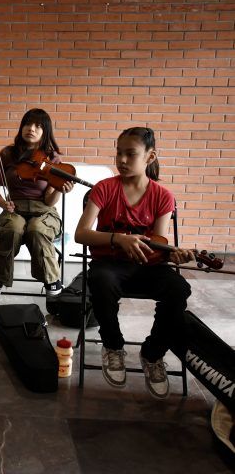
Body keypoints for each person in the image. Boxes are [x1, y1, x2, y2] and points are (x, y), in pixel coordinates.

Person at [75, 126, 194, 399]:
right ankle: (113, 346)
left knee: (178, 289)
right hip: (110, 264)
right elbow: (81, 233)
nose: (122, 160)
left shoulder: (163, 196)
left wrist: (173, 253)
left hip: (148, 267)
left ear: (150, 156)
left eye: (131, 154)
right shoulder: (104, 188)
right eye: (119, 153)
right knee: (100, 280)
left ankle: (153, 354)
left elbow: (159, 243)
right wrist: (118, 239)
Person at [0, 108, 73, 309]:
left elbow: (49, 201)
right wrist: (3, 203)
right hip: (14, 208)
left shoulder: (52, 159)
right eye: (27, 123)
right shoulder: (8, 154)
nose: (31, 129)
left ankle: (52, 282)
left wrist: (60, 189)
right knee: (12, 229)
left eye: (38, 126)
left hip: (44, 210)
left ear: (45, 131)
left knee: (37, 230)